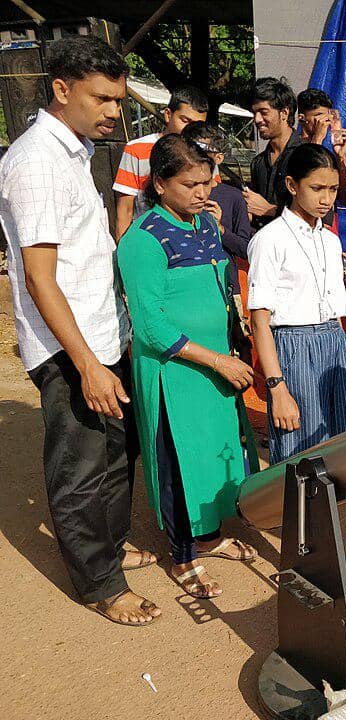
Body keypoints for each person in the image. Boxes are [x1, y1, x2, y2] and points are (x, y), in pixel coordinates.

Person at [0, 36, 161, 625]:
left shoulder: (72, 151)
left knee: (117, 453)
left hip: (101, 332)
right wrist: (87, 363)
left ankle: (111, 552)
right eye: (103, 99)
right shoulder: (35, 162)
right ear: (61, 90)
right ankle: (99, 584)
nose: (115, 112)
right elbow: (41, 280)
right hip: (70, 348)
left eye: (118, 100)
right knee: (80, 467)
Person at [117, 135, 260, 599]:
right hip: (175, 371)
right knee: (178, 457)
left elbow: (222, 287)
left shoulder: (206, 225)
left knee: (214, 453)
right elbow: (152, 326)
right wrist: (215, 359)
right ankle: (182, 557)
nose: (204, 193)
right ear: (159, 183)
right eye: (190, 184)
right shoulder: (141, 240)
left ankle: (209, 535)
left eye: (208, 181)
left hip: (216, 365)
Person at [248, 143, 346, 463]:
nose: (326, 198)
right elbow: (259, 321)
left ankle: (339, 514)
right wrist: (277, 388)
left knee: (345, 444)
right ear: (291, 185)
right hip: (294, 349)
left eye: (334, 189)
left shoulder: (331, 240)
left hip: (335, 344)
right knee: (302, 454)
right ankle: (301, 516)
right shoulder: (269, 241)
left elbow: (334, 312)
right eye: (317, 188)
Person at [113, 85, 208, 239]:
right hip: (148, 239)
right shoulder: (136, 149)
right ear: (168, 115)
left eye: (197, 125)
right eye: (185, 120)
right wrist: (123, 251)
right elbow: (125, 210)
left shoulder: (204, 154)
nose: (190, 129)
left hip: (192, 240)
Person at [180, 121, 253, 279]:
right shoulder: (176, 195)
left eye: (201, 151)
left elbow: (246, 249)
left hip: (226, 285)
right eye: (189, 151)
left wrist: (220, 228)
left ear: (219, 157)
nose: (195, 158)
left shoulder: (233, 197)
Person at [246, 77, 300, 229]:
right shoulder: (258, 163)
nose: (257, 119)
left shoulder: (305, 156)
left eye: (263, 112)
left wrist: (271, 210)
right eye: (254, 113)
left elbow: (319, 214)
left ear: (284, 112)